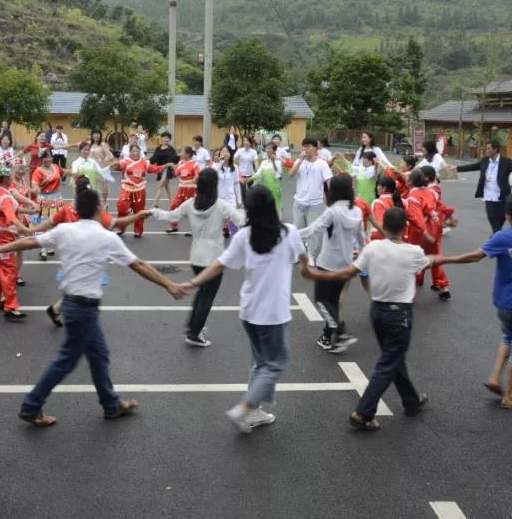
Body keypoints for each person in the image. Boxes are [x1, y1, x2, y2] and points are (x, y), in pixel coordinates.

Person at [0, 187, 186, 427]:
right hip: (84, 308)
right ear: (99, 208)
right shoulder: (106, 237)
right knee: (66, 360)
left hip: (72, 304)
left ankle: (111, 405)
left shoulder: (65, 230)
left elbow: (29, 242)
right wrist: (169, 284)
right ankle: (31, 406)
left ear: (76, 209)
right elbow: (138, 265)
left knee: (99, 355)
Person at [188, 186, 307, 433]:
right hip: (273, 314)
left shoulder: (244, 235)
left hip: (249, 312)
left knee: (260, 362)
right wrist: (309, 266)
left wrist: (192, 283)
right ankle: (245, 406)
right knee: (275, 363)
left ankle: (256, 412)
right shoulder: (289, 233)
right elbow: (302, 260)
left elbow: (219, 264)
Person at [300, 206, 431, 430]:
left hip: (377, 312)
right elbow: (439, 260)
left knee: (394, 356)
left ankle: (411, 401)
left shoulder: (373, 248)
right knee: (389, 361)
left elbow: (347, 273)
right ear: (405, 227)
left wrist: (314, 274)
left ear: (384, 226)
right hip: (399, 314)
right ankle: (364, 411)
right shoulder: (414, 252)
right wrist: (473, 256)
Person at [435, 193, 512, 409]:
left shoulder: (503, 237)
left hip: (503, 302)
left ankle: (495, 377)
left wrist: (443, 259)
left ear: (507, 215)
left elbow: (475, 256)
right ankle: (509, 396)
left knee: (507, 337)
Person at [28, 177, 148, 327]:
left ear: (75, 192)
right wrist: (137, 216)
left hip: (72, 257)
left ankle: (58, 310)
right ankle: (76, 318)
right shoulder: (95, 211)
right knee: (83, 292)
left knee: (76, 290)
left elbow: (49, 222)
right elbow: (117, 224)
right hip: (90, 257)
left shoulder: (68, 209)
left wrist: (31, 230)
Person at [151, 169, 246, 347]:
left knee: (202, 292)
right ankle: (194, 334)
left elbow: (171, 215)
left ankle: (192, 327)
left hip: (195, 255)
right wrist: (244, 209)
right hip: (214, 257)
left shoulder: (189, 203)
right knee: (207, 296)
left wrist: (153, 211)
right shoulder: (220, 205)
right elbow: (240, 220)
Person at [299, 174, 364, 353]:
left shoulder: (332, 211)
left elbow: (313, 230)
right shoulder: (357, 211)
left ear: (333, 191)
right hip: (346, 264)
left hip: (327, 263)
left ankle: (342, 332)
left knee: (321, 300)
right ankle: (328, 337)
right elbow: (361, 238)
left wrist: (287, 233)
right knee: (333, 301)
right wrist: (362, 257)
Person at [0, 166, 33, 321]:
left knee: (0, 270)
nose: (12, 179)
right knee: (10, 271)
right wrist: (25, 229)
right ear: (4, 179)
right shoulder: (4, 196)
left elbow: (16, 208)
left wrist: (33, 210)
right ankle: (10, 307)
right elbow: (11, 217)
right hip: (4, 237)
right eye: (10, 177)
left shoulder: (1, 192)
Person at [453, 139, 512, 234]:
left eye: (488, 148)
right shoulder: (485, 160)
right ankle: (495, 240)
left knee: (500, 221)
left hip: (502, 196)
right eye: (486, 148)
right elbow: (473, 166)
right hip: (489, 196)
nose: (486, 150)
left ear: (495, 149)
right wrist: (457, 168)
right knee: (492, 219)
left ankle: (495, 240)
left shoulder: (506, 161)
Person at [290, 139, 333, 260]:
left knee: (313, 230)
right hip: (299, 202)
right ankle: (298, 254)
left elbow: (329, 181)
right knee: (298, 229)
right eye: (304, 147)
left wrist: (333, 197)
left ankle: (311, 255)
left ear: (315, 148)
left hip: (315, 203)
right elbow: (291, 174)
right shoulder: (299, 161)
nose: (305, 149)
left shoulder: (322, 164)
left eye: (308, 146)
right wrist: (299, 161)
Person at [420, 166, 454, 299]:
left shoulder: (428, 192)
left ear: (426, 178)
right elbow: (442, 207)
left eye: (420, 175)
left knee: (424, 254)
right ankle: (438, 284)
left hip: (427, 227)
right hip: (435, 226)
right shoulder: (435, 189)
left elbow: (427, 209)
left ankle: (442, 284)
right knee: (432, 254)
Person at [116, 145, 163, 238]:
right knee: (121, 207)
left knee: (139, 212)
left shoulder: (144, 163)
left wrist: (165, 166)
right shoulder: (125, 162)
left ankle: (138, 231)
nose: (135, 153)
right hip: (127, 188)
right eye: (133, 151)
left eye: (137, 151)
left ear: (139, 152)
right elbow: (117, 166)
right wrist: (113, 161)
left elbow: (154, 169)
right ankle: (122, 228)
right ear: (130, 152)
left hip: (140, 190)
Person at [163, 147, 199, 233]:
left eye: (182, 152)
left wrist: (191, 181)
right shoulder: (181, 162)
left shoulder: (194, 164)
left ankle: (193, 229)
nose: (180, 154)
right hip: (181, 189)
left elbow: (197, 176)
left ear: (188, 154)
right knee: (174, 205)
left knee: (191, 210)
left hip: (191, 189)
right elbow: (176, 174)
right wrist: (173, 167)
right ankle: (174, 226)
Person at [251, 143, 284, 216]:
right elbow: (258, 174)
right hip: (267, 189)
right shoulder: (264, 162)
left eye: (270, 148)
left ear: (274, 150)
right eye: (267, 148)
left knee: (276, 208)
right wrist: (249, 179)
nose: (268, 150)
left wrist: (273, 162)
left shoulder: (278, 162)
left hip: (276, 189)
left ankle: (277, 223)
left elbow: (278, 175)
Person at [87, 130, 117, 206]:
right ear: (92, 135)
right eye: (94, 134)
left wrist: (107, 162)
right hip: (90, 169)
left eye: (97, 134)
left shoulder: (103, 144)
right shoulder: (89, 144)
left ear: (100, 136)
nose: (96, 136)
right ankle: (93, 203)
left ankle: (105, 202)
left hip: (101, 169)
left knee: (103, 187)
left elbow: (110, 156)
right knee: (90, 187)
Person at [148, 132, 178, 207]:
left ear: (170, 139)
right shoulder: (158, 148)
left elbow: (174, 159)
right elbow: (154, 158)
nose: (166, 139)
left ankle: (155, 204)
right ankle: (173, 203)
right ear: (162, 138)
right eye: (164, 137)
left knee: (160, 186)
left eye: (167, 138)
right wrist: (147, 162)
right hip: (160, 169)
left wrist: (173, 167)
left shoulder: (171, 149)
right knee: (167, 187)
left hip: (167, 170)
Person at [234, 137, 258, 202]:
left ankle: (251, 204)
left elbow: (256, 162)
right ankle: (245, 206)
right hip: (241, 175)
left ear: (250, 143)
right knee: (243, 192)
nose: (245, 142)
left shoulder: (253, 152)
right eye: (244, 141)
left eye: (247, 141)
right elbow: (234, 160)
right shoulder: (239, 150)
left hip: (250, 175)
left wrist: (257, 172)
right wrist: (236, 167)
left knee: (251, 192)